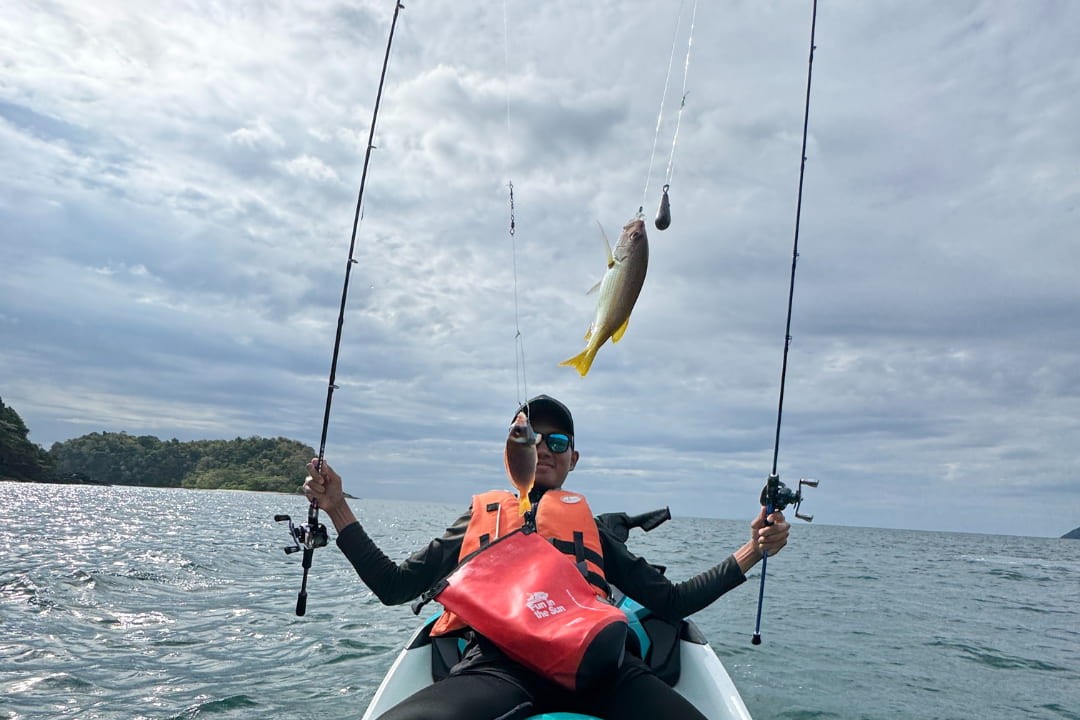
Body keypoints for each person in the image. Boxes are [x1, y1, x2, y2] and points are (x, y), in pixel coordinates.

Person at [303, 394, 791, 720]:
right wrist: (338, 508)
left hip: (603, 667)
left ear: (573, 458)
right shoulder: (482, 520)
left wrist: (753, 550)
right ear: (515, 449)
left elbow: (672, 601)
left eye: (558, 442)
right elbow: (394, 586)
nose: (545, 447)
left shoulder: (596, 530)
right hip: (499, 666)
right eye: (533, 437)